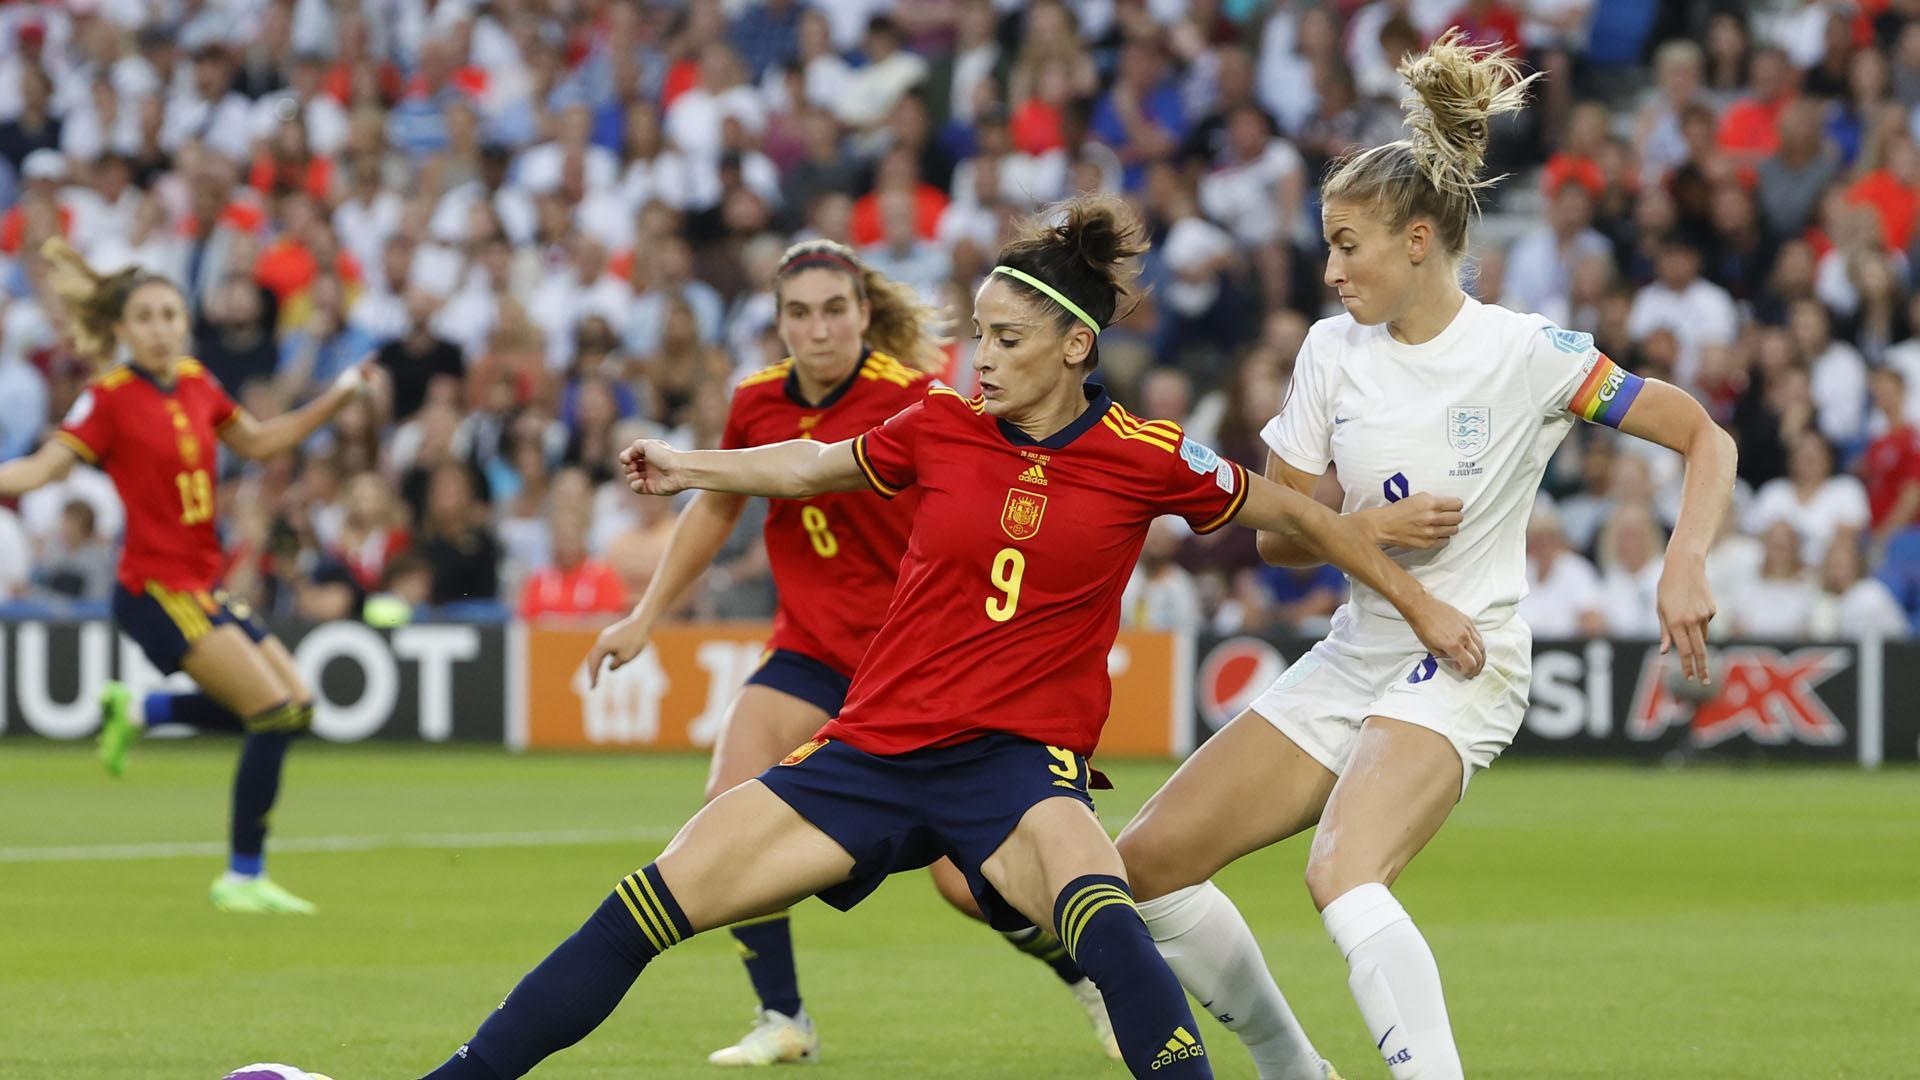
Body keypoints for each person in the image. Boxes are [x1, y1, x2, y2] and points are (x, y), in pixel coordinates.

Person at [419, 195, 1483, 1080]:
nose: (982, 358)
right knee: (645, 905)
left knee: (1108, 919)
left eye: (1007, 340)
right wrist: (691, 463)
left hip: (1017, 768)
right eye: (978, 333)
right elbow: (803, 466)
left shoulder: (1146, 455)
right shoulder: (938, 424)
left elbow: (1296, 515)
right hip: (872, 751)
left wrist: (1419, 601)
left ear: (1077, 345)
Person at [1112, 33, 1736, 1080]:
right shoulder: (1326, 353)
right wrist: (1360, 535)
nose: (1330, 269)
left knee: (1344, 871)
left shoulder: (1526, 352)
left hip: (1464, 656)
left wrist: (1686, 560)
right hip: (1358, 651)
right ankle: (1292, 1068)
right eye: (1325, 244)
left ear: (1415, 241)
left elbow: (1702, 437)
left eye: (1346, 245)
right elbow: (1273, 535)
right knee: (1145, 871)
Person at [581, 238, 1118, 1066]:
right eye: (799, 313)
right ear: (779, 323)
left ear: (866, 315)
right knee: (728, 794)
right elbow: (719, 506)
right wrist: (647, 613)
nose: (818, 329)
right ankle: (782, 1016)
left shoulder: (919, 400)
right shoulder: (756, 398)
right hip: (807, 648)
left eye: (835, 310)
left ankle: (1090, 976)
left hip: (911, 664)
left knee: (969, 886)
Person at [0, 238, 385, 914]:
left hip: (203, 584)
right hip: (152, 588)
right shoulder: (109, 399)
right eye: (144, 317)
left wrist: (340, 393)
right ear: (119, 329)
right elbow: (38, 472)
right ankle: (242, 875)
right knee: (269, 713)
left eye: (169, 315)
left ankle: (143, 710)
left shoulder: (200, 383)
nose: (159, 328)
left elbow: (262, 441)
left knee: (295, 707)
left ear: (185, 322)